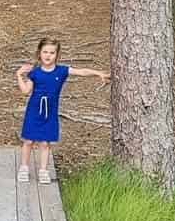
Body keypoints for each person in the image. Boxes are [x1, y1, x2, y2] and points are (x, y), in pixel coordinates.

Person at [15, 37, 108, 184]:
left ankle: (43, 170)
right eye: (45, 52)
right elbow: (25, 90)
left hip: (50, 112)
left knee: (45, 143)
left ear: (57, 55)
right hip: (34, 110)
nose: (48, 55)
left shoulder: (61, 71)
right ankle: (24, 168)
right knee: (28, 140)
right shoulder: (35, 73)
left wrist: (97, 73)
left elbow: (81, 71)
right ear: (39, 53)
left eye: (52, 52)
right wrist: (19, 75)